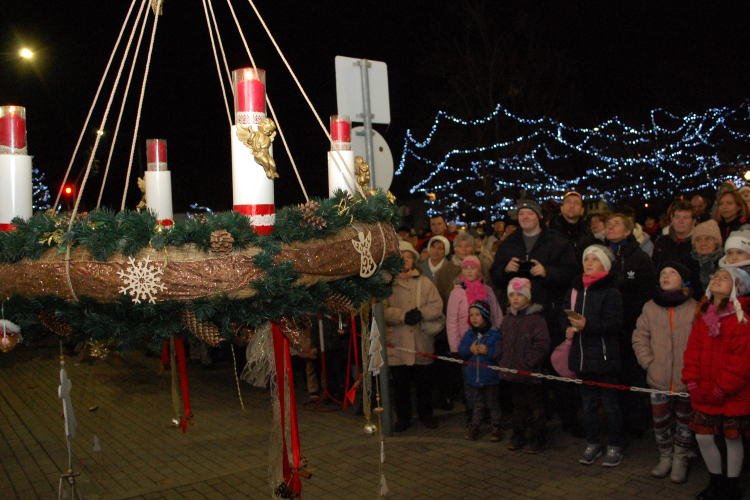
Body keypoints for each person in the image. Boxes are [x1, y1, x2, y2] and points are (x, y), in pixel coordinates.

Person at [490, 199, 581, 436]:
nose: (525, 217)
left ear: (539, 217)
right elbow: (495, 275)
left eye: (530, 213)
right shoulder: (509, 244)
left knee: (558, 370)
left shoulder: (557, 242)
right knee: (524, 372)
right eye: (522, 213)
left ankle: (568, 420)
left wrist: (547, 272)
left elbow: (573, 273)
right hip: (519, 320)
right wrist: (504, 271)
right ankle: (528, 421)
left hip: (550, 316)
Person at [682, 268, 750, 500]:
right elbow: (693, 350)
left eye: (725, 278)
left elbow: (742, 362)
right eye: (715, 277)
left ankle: (731, 484)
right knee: (703, 436)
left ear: (737, 287)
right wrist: (692, 381)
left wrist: (722, 388)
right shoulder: (703, 315)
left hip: (730, 392)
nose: (717, 280)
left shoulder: (742, 320)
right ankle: (716, 480)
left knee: (732, 437)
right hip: (705, 390)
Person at [631, 261, 696, 483]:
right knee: (659, 420)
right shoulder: (650, 306)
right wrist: (649, 363)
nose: (666, 276)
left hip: (686, 379)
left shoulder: (695, 307)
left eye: (672, 272)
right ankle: (665, 456)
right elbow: (640, 336)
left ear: (684, 279)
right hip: (658, 378)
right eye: (663, 273)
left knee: (684, 421)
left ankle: (681, 458)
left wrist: (693, 369)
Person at [562, 245, 624, 467]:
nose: (588, 262)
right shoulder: (575, 290)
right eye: (586, 258)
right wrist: (568, 329)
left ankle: (615, 445)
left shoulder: (611, 292)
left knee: (610, 404)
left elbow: (616, 324)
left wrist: (588, 324)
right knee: (587, 404)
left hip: (605, 357)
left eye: (594, 259)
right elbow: (565, 315)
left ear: (605, 265)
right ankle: (593, 443)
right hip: (582, 357)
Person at [605, 213, 657, 438]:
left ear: (628, 231)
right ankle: (616, 420)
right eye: (608, 224)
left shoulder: (639, 257)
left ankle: (637, 421)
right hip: (609, 328)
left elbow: (647, 293)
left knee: (633, 374)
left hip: (632, 325)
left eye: (616, 224)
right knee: (613, 375)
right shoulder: (602, 256)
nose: (610, 227)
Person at [384, 240, 444, 431]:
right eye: (402, 257)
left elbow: (437, 306)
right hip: (397, 342)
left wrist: (421, 314)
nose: (406, 261)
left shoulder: (424, 282)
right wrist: (401, 316)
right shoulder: (387, 285)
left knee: (424, 384)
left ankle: (426, 415)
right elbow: (381, 311)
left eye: (409, 257)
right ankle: (403, 418)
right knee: (400, 386)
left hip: (420, 342)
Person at [447, 256, 504, 424]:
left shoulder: (488, 290)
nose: (469, 271)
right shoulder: (457, 292)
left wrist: (499, 335)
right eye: (466, 268)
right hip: (467, 343)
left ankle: (490, 411)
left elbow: (496, 313)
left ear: (479, 270)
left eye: (473, 268)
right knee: (469, 380)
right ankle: (473, 411)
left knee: (489, 377)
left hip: (488, 340)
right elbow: (452, 320)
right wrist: (455, 346)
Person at [496, 277, 550, 453]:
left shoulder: (536, 320)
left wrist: (529, 362)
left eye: (519, 294)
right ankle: (518, 434)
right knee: (518, 406)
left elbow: (542, 344)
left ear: (527, 297)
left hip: (530, 372)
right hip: (512, 372)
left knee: (536, 405)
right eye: (512, 294)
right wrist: (501, 358)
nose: (515, 298)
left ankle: (539, 436)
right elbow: (502, 341)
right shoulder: (507, 319)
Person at [458, 300, 502, 442]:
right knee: (477, 404)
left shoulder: (494, 335)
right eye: (471, 315)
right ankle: (475, 426)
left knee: (493, 403)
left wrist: (488, 351)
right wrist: (469, 350)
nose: (474, 318)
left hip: (490, 378)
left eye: (477, 314)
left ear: (485, 315)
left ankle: (496, 426)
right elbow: (461, 350)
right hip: (473, 378)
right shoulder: (468, 334)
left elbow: (499, 353)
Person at [651, 200, 697, 267]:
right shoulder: (662, 242)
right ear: (672, 219)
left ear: (693, 221)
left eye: (685, 217)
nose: (681, 221)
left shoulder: (698, 243)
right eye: (677, 217)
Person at [691, 220, 724, 297]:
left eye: (708, 239)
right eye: (698, 239)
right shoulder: (687, 263)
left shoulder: (725, 263)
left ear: (716, 242)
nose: (703, 243)